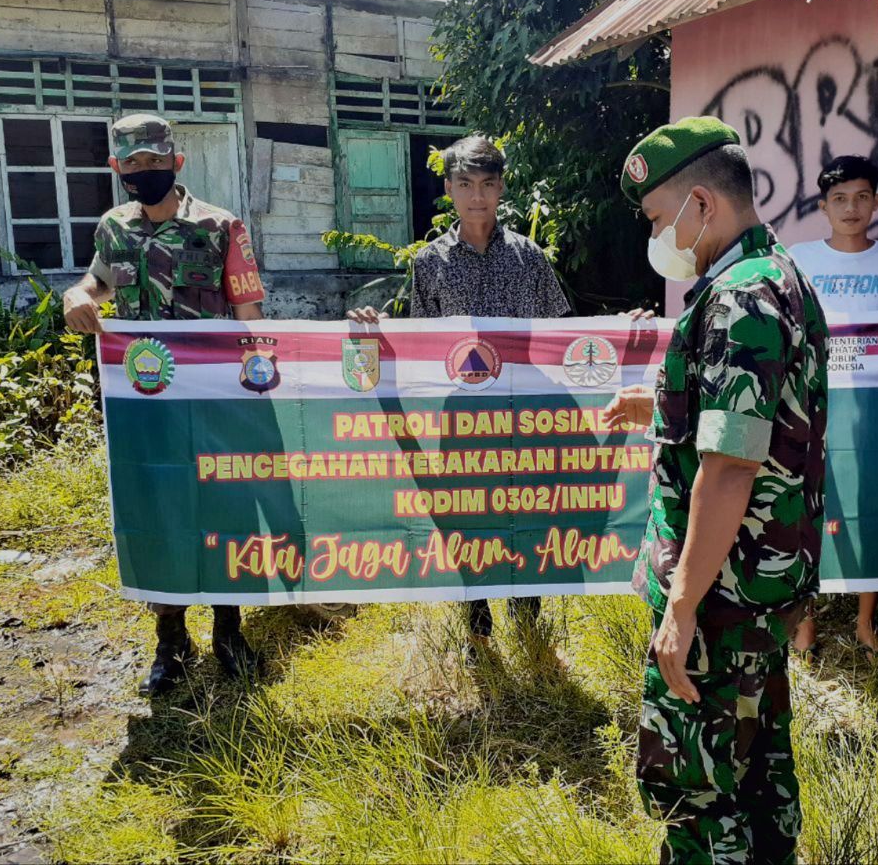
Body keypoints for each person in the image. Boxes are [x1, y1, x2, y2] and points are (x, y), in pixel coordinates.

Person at [602, 117, 829, 864]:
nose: (659, 236)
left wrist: (682, 608)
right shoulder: (778, 275)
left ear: (702, 204)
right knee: (759, 767)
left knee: (699, 794)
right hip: (760, 590)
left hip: (722, 598)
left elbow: (731, 467)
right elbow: (761, 416)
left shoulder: (737, 298)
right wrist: (663, 407)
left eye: (659, 219)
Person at [62, 113, 265, 696]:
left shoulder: (222, 226)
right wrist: (78, 294)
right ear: (117, 169)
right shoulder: (113, 228)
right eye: (133, 164)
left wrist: (259, 385)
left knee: (225, 511)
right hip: (146, 400)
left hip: (215, 399)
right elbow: (98, 282)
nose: (144, 172)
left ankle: (230, 630)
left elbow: (249, 313)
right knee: (158, 515)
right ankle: (171, 640)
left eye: (154, 162)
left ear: (176, 162)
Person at [347, 135, 571, 654]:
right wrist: (375, 330)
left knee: (524, 514)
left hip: (523, 417)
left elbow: (562, 333)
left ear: (501, 188)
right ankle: (477, 624)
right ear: (448, 189)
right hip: (459, 418)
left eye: (488, 184)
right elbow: (421, 343)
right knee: (465, 517)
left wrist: (625, 334)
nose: (477, 197)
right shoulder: (430, 262)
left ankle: (528, 619)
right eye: (465, 184)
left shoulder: (529, 258)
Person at [787, 154, 878, 660]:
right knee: (806, 506)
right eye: (840, 199)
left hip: (872, 406)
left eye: (862, 197)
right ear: (823, 206)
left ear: (877, 203)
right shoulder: (799, 257)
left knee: (872, 500)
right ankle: (804, 627)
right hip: (809, 401)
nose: (852, 207)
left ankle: (866, 625)